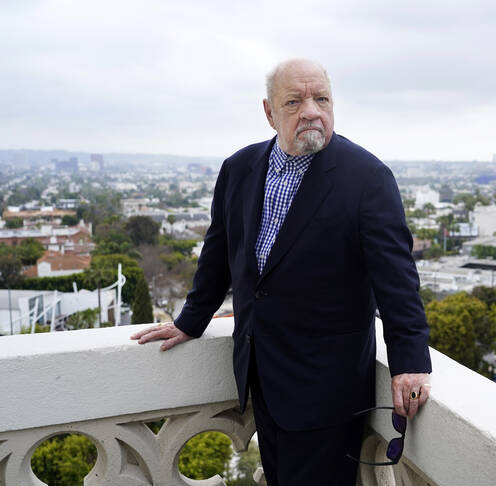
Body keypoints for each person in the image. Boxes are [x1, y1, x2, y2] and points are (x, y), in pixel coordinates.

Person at [131, 59, 432, 485]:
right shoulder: (239, 168)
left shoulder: (367, 178)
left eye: (321, 98)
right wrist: (189, 321)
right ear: (270, 112)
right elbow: (219, 255)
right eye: (294, 101)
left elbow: (397, 282)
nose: (311, 110)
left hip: (327, 389)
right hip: (258, 373)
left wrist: (411, 363)